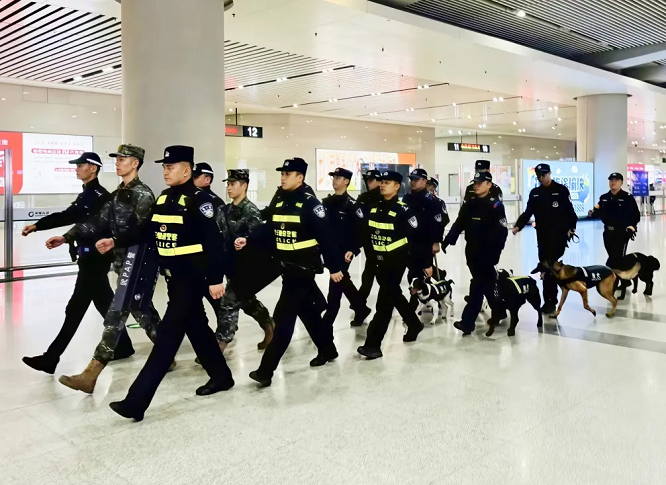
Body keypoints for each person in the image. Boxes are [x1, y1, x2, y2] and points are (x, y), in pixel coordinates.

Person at [109, 145, 234, 422]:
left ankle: (136, 401)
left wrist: (216, 279)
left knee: (167, 337)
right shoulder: (165, 197)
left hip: (193, 277)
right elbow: (147, 231)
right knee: (197, 328)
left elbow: (215, 243)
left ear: (187, 170)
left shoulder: (201, 201)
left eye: (171, 167)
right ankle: (222, 377)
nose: (165, 171)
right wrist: (115, 240)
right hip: (174, 278)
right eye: (164, 167)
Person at [58, 144, 162, 394]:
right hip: (123, 262)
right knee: (141, 309)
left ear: (135, 163)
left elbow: (142, 231)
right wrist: (66, 236)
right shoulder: (117, 194)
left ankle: (92, 373)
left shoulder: (143, 194)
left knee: (116, 312)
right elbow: (98, 221)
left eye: (123, 159)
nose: (117, 162)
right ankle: (165, 352)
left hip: (140, 261)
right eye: (117, 159)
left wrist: (114, 241)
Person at [21, 152, 121, 374]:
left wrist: (38, 225)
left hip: (95, 259)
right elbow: (80, 221)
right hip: (89, 257)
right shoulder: (88, 193)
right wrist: (65, 237)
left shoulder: (96, 195)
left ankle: (51, 358)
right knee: (104, 302)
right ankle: (123, 345)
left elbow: (69, 216)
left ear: (93, 168)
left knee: (75, 308)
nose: (76, 168)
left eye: (81, 165)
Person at [247, 158, 343, 387]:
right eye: (282, 173)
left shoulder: (310, 203)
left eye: (287, 174)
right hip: (287, 267)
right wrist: (248, 240)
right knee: (308, 313)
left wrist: (334, 267)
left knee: (283, 319)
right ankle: (328, 349)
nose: (282, 177)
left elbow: (326, 237)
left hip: (303, 269)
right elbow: (269, 227)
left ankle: (265, 371)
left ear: (300, 177)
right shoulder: (280, 199)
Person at [356, 170, 428, 360]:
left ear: (397, 187)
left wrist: (423, 263)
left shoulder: (404, 210)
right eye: (381, 182)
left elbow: (416, 239)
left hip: (396, 262)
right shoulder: (374, 208)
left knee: (384, 302)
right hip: (377, 261)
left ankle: (373, 344)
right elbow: (366, 235)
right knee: (394, 294)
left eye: (387, 183)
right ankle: (414, 324)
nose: (382, 185)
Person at [214, 168, 275, 350]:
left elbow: (259, 242)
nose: (229, 187)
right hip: (231, 266)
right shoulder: (225, 210)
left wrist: (246, 242)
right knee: (247, 301)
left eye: (233, 184)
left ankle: (219, 345)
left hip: (246, 268)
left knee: (228, 303)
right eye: (228, 184)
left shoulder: (250, 211)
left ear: (244, 186)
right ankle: (269, 325)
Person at [443, 172, 508, 336]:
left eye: (480, 183)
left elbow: (502, 232)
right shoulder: (470, 204)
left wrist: (496, 254)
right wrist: (448, 240)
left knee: (478, 286)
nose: (476, 185)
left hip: (488, 253)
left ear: (489, 185)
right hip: (472, 252)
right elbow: (459, 223)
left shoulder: (495, 206)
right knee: (487, 285)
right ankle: (499, 310)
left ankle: (468, 322)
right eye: (475, 183)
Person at [513, 163, 578, 315]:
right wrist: (518, 225)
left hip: (559, 236)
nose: (541, 178)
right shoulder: (535, 193)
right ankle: (549, 299)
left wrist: (571, 227)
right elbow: (528, 212)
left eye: (544, 175)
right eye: (539, 176)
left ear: (549, 173)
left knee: (549, 267)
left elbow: (570, 212)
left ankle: (550, 301)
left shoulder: (561, 190)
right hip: (542, 236)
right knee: (545, 267)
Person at [321, 167, 372, 330]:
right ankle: (361, 308)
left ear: (346, 181)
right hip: (330, 250)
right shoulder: (326, 203)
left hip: (344, 253)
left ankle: (326, 324)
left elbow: (362, 229)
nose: (334, 180)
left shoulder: (352, 205)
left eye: (338, 178)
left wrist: (354, 249)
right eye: (334, 177)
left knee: (335, 286)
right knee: (343, 280)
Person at [403, 168, 445, 310]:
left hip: (425, 242)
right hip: (409, 241)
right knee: (412, 273)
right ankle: (420, 297)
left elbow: (437, 223)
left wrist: (436, 242)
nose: (413, 182)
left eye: (416, 180)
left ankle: (420, 300)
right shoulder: (407, 198)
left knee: (422, 272)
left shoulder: (432, 201)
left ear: (424, 181)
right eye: (412, 180)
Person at [588, 172, 640, 267]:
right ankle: (615, 273)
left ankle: (617, 274)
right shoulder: (604, 198)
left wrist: (631, 225)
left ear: (621, 183)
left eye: (616, 180)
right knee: (612, 256)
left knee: (617, 258)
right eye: (611, 180)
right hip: (608, 232)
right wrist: (592, 212)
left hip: (621, 232)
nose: (613, 182)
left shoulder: (627, 198)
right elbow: (598, 210)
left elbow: (635, 215)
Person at [355, 169, 382, 306]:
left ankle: (360, 300)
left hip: (382, 241)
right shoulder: (363, 198)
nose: (368, 183)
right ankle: (360, 301)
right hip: (368, 241)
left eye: (371, 180)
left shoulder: (383, 197)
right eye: (367, 180)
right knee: (370, 270)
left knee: (378, 273)